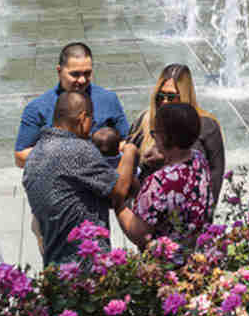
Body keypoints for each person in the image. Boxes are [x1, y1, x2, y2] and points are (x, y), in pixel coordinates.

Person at [21, 91, 139, 266]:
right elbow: (119, 191)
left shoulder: (35, 154)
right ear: (83, 118)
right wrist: (130, 151)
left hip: (54, 265)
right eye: (92, 121)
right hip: (85, 267)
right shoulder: (79, 150)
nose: (92, 128)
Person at [127, 64, 226, 215]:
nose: (165, 102)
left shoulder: (206, 126)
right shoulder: (144, 122)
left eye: (171, 97)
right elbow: (130, 167)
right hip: (149, 213)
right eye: (160, 96)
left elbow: (216, 174)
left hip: (189, 215)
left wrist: (206, 216)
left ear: (184, 96)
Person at [15, 43, 130, 168]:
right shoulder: (37, 108)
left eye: (87, 73)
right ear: (59, 71)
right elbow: (20, 156)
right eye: (75, 74)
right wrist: (69, 156)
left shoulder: (108, 99)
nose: (82, 80)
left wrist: (105, 151)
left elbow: (128, 142)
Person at [116, 103, 211, 247]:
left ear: (166, 137)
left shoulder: (160, 181)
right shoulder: (199, 159)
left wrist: (118, 203)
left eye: (156, 134)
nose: (154, 139)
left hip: (167, 263)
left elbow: (140, 234)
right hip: (195, 255)